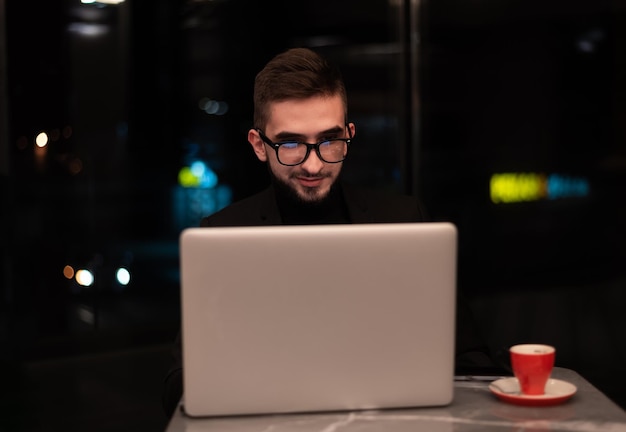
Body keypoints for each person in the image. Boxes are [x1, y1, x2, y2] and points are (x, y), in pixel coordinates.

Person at [162, 47, 496, 417]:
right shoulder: (220, 236)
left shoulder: (403, 219)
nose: (313, 163)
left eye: (329, 140)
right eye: (290, 143)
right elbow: (179, 384)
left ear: (349, 135)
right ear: (259, 145)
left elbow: (471, 356)